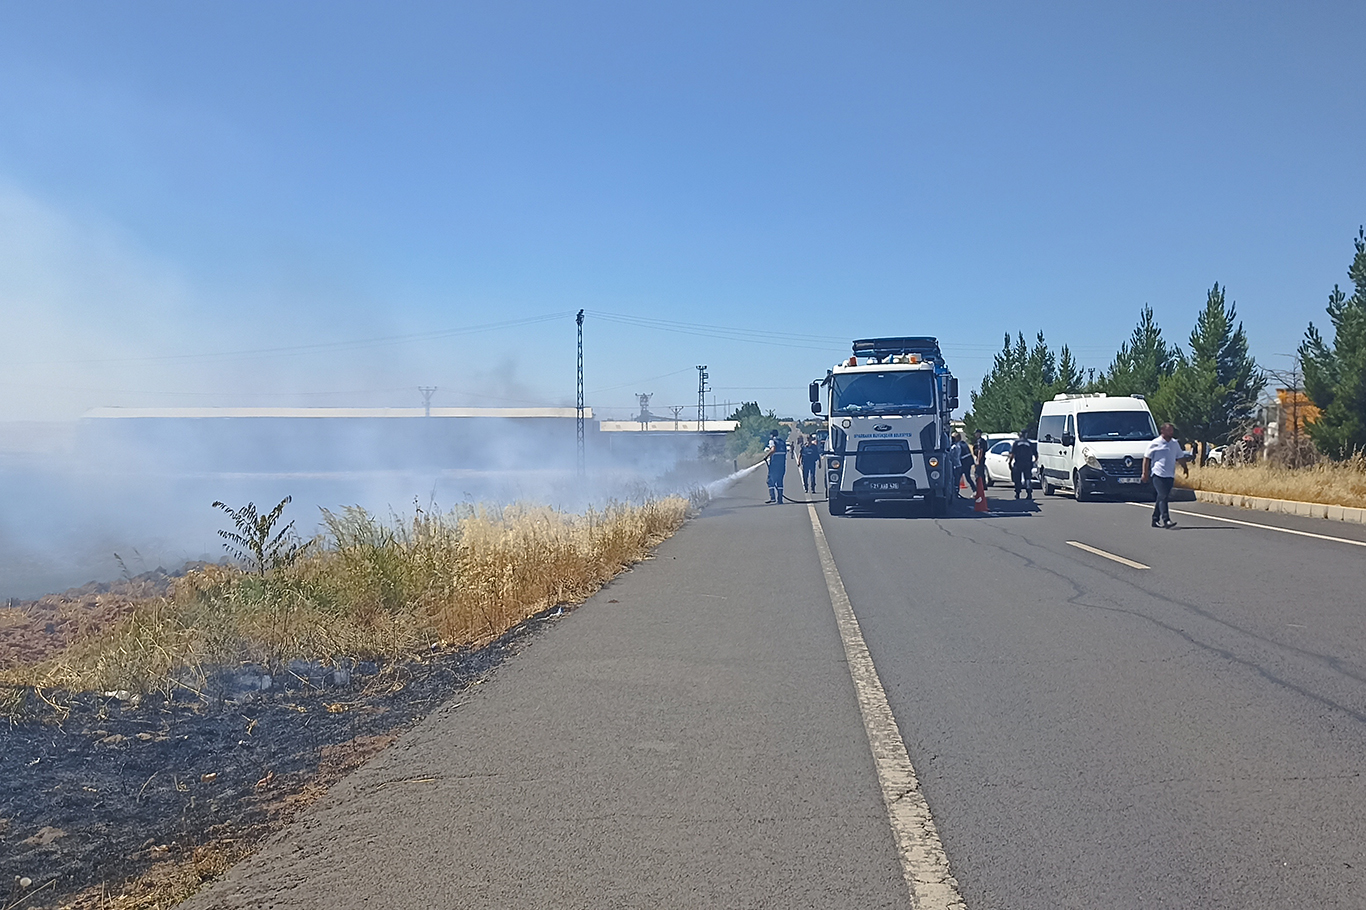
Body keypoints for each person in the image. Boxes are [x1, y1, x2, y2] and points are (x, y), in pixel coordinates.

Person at [1141, 422, 1190, 528]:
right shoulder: (1154, 443)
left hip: (1169, 475)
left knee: (1162, 497)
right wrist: (1145, 473)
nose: (1171, 432)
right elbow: (1146, 459)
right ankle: (1166, 520)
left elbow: (1180, 457)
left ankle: (1155, 519)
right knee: (1163, 496)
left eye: (1172, 430)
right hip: (1158, 474)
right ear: (1162, 431)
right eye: (1169, 430)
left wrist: (1185, 468)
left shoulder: (1174, 444)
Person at [1007, 430, 1037, 500]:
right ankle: (1029, 493)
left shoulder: (1016, 443)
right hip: (1028, 463)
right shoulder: (1029, 443)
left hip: (1018, 463)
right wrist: (1033, 462)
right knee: (1028, 478)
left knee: (1018, 479)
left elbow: (1012, 454)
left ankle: (1017, 493)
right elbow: (1036, 454)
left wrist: (1010, 462)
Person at [763, 429, 787, 504]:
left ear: (772, 435)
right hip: (782, 464)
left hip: (774, 464)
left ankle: (772, 497)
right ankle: (780, 500)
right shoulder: (782, 442)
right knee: (780, 482)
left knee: (770, 481)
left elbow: (773, 449)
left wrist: (766, 456)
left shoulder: (772, 441)